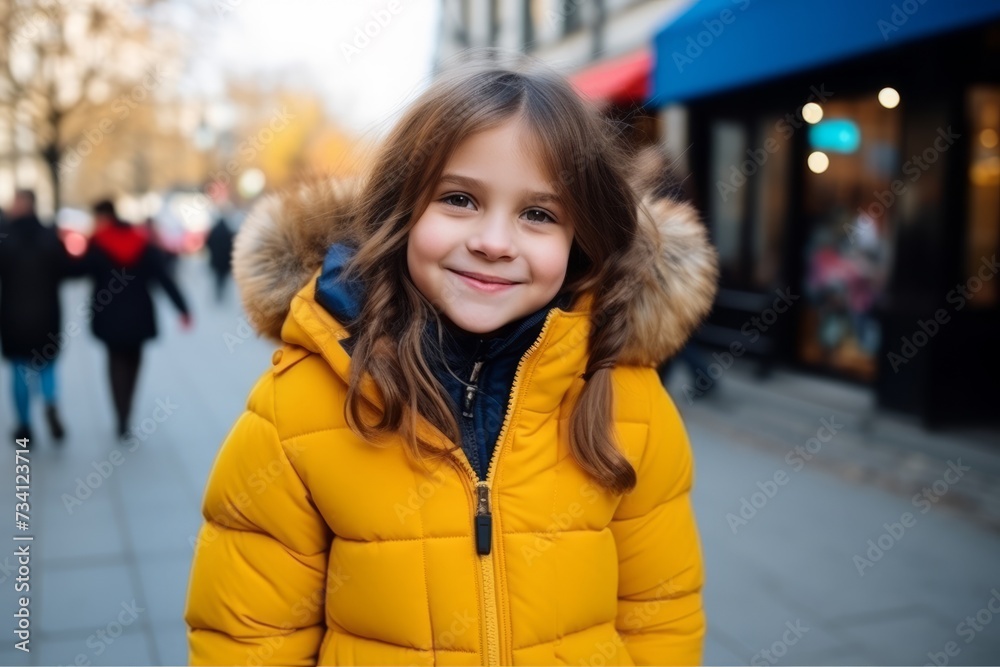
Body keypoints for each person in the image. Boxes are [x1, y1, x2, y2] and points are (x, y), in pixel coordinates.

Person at [185, 59, 718, 665]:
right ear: (403, 210)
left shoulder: (631, 403)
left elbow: (660, 613)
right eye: (459, 199)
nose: (494, 241)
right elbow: (251, 638)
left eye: (538, 214)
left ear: (582, 238)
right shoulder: (297, 408)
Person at [72, 200, 192, 437]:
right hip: (139, 314)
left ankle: (120, 415)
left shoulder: (98, 244)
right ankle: (127, 409)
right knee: (134, 361)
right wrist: (183, 308)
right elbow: (163, 278)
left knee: (114, 361)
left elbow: (78, 270)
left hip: (109, 315)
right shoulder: (144, 243)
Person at [0, 190, 69, 444]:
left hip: (13, 314)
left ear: (21, 205)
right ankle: (50, 402)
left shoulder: (5, 237)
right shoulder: (50, 235)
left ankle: (24, 426)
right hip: (47, 313)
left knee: (19, 369)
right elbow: (67, 270)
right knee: (47, 365)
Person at [204, 214, 234, 302]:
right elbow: (231, 246)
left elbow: (208, 243)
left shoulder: (214, 232)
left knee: (218, 278)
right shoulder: (228, 232)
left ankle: (218, 293)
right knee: (222, 278)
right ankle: (221, 292)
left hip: (216, 260)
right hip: (224, 261)